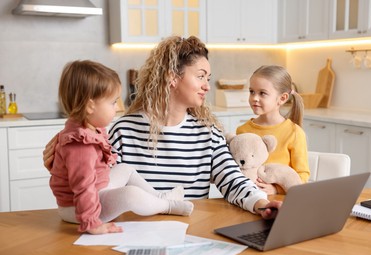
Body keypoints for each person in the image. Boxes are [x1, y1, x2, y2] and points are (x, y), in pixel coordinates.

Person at [44, 36, 281, 220]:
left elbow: (233, 181)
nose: (207, 86)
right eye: (200, 76)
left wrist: (260, 203)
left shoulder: (208, 134)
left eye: (208, 78)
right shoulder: (123, 131)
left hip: (190, 232)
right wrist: (62, 162)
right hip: (130, 234)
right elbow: (93, 184)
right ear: (172, 78)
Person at [49, 60, 193, 235]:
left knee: (124, 168)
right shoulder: (80, 145)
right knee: (130, 195)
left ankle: (159, 197)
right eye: (112, 102)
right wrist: (91, 223)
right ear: (90, 106)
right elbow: (83, 187)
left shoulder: (88, 129)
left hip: (96, 192)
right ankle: (167, 205)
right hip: (79, 209)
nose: (117, 107)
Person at [236, 65, 310, 195]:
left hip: (280, 203)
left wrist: (277, 190)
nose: (254, 98)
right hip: (248, 200)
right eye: (251, 91)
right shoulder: (243, 131)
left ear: (282, 98)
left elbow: (302, 175)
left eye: (262, 93)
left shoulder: (294, 133)